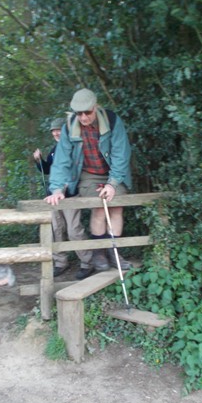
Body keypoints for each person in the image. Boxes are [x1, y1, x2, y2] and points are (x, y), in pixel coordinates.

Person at [44, 88, 133, 276]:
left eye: (87, 112)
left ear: (95, 106)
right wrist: (57, 188)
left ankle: (113, 252)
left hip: (114, 172)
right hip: (88, 174)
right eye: (79, 113)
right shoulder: (70, 126)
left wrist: (112, 183)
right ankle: (99, 253)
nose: (83, 117)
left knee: (116, 207)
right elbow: (61, 159)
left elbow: (121, 153)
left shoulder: (112, 120)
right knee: (99, 206)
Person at [34, 117, 93, 279]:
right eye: (53, 131)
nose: (56, 133)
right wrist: (39, 161)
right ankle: (60, 262)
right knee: (56, 229)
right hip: (53, 197)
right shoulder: (54, 150)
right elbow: (48, 170)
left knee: (74, 230)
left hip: (71, 196)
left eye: (59, 130)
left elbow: (78, 171)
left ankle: (87, 263)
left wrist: (66, 186)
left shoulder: (75, 147)